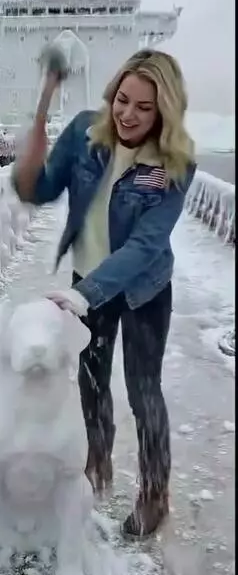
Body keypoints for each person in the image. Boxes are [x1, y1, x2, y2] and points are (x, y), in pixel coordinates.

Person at [12, 49, 196, 536]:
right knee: (91, 390)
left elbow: (145, 245)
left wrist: (87, 293)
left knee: (143, 391)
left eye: (144, 107)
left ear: (164, 112)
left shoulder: (174, 164)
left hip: (142, 291)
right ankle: (94, 473)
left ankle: (154, 495)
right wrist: (37, 129)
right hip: (86, 281)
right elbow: (41, 188)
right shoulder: (84, 133)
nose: (127, 113)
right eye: (122, 99)